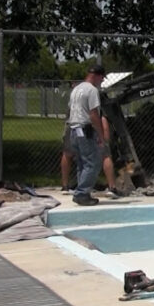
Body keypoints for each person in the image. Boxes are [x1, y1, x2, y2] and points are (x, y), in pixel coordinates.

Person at [66, 64, 107, 206]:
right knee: (93, 163)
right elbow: (94, 114)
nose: (101, 83)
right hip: (85, 130)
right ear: (97, 76)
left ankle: (82, 192)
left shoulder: (76, 89)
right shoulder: (92, 90)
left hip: (74, 130)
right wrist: (101, 136)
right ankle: (82, 193)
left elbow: (71, 109)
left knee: (82, 164)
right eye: (101, 79)